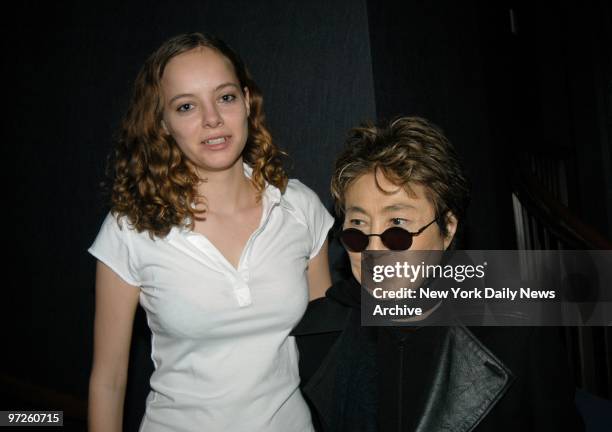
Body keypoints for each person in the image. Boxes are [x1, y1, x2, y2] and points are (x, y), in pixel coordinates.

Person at [87, 32, 334, 432]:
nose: (212, 119)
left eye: (225, 97)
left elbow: (328, 345)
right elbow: (109, 381)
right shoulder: (130, 227)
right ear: (162, 124)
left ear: (248, 102)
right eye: (186, 106)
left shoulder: (299, 207)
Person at [293, 116, 584, 431]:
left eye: (398, 226)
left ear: (447, 229)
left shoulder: (517, 332)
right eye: (358, 227)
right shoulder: (317, 334)